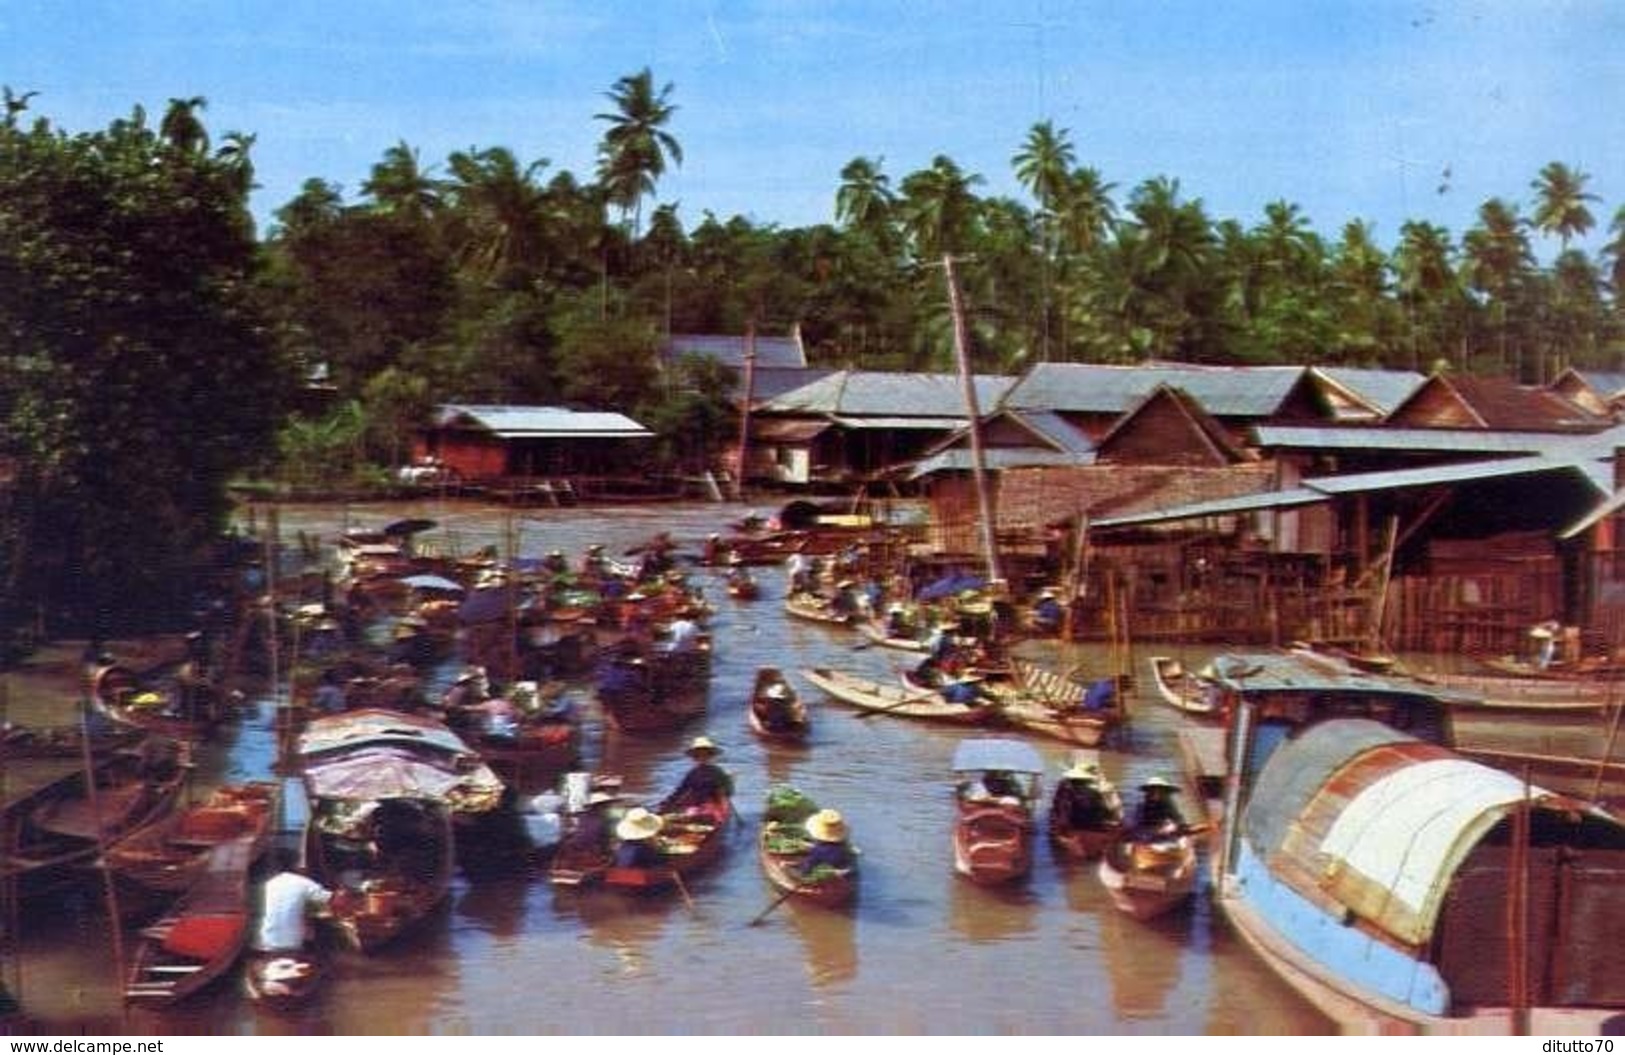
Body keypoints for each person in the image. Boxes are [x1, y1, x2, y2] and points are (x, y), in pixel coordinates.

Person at [253, 847, 334, 954]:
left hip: (266, 940)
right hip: (292, 942)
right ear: (295, 864)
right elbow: (331, 899)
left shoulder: (268, 884)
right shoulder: (303, 882)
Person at [664, 735, 734, 811]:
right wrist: (668, 802)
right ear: (695, 757)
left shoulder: (717, 772)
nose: (702, 758)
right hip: (696, 803)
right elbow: (681, 790)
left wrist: (722, 791)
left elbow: (729, 790)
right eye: (698, 755)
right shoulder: (693, 773)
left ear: (710, 756)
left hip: (713, 805)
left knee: (703, 813)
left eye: (705, 755)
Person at [798, 809, 856, 878]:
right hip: (842, 862)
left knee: (805, 864)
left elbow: (807, 867)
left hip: (833, 866)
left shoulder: (818, 851)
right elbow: (828, 847)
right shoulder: (841, 844)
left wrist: (804, 870)